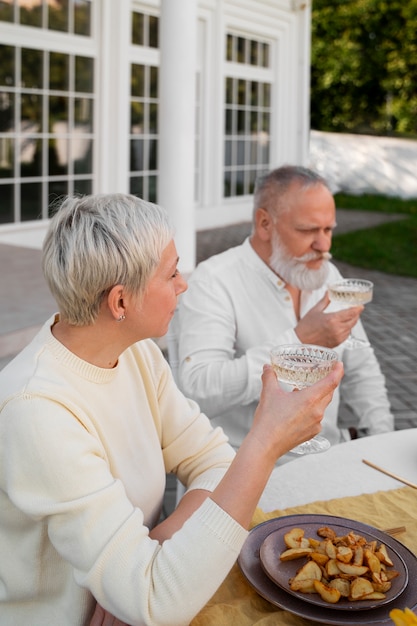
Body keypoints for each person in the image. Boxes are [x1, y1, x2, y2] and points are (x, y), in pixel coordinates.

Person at [0, 193, 343, 626]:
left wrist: (155, 547)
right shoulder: (38, 412)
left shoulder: (136, 353)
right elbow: (157, 605)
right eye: (172, 273)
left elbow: (214, 461)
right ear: (121, 302)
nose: (183, 283)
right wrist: (266, 441)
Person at [176, 165, 393, 461]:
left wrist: (381, 440)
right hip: (242, 471)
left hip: (325, 459)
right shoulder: (213, 282)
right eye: (308, 230)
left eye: (328, 229)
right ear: (265, 224)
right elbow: (198, 390)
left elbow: (361, 369)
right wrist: (300, 341)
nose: (324, 246)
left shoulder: (329, 276)